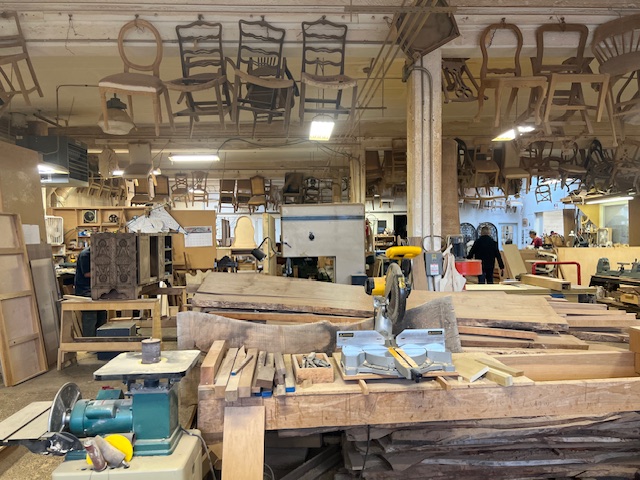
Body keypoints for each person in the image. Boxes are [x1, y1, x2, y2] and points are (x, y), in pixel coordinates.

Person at [74, 246, 107, 337]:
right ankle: (89, 343)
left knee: (102, 314)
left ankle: (101, 343)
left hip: (97, 289)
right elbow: (87, 274)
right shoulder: (85, 255)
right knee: (91, 316)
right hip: (85, 291)